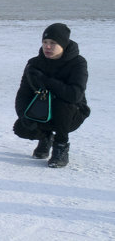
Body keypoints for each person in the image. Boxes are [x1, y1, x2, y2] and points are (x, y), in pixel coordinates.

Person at [12, 23, 89, 168]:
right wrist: (23, 116)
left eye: (53, 43)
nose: (47, 47)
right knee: (21, 128)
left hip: (72, 113)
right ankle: (46, 137)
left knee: (62, 103)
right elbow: (23, 94)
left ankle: (60, 146)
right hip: (43, 110)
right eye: (45, 42)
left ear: (63, 45)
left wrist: (46, 81)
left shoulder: (78, 63)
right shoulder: (34, 64)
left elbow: (75, 95)